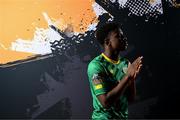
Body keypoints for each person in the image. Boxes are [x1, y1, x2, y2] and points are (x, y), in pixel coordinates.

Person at [87, 22, 143, 120]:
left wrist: (132, 78)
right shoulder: (96, 66)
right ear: (107, 42)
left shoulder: (125, 63)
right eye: (119, 36)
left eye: (123, 35)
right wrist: (127, 77)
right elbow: (105, 102)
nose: (124, 38)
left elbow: (130, 99)